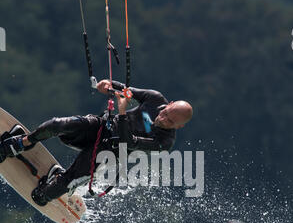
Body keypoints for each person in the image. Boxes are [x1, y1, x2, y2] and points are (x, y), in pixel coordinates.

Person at [0, 79, 193, 206]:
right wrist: (108, 86)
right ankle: (23, 142)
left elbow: (128, 141)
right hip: (101, 127)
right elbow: (126, 91)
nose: (162, 118)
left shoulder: (164, 142)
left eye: (169, 121)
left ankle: (57, 181)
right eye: (165, 112)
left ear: (179, 127)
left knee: (41, 197)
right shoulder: (155, 99)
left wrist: (123, 112)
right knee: (57, 125)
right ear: (169, 104)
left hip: (108, 153)